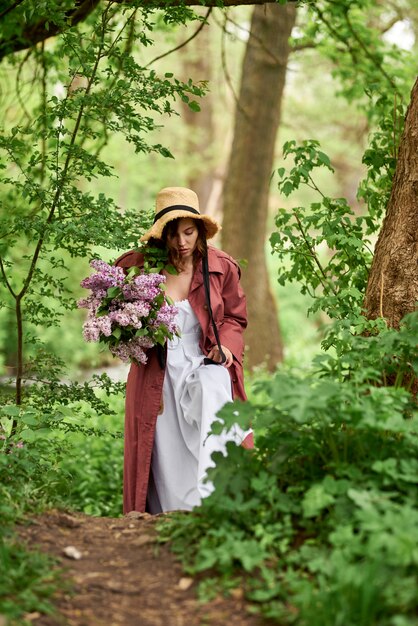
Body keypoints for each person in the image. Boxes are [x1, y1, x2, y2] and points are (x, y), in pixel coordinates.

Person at [115, 187, 253, 514]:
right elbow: (113, 314)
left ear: (200, 231)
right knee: (164, 449)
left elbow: (235, 316)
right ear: (161, 236)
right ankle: (171, 516)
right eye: (173, 234)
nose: (182, 242)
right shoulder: (137, 268)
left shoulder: (221, 266)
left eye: (189, 232)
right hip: (156, 371)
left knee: (214, 388)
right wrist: (127, 334)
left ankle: (217, 501)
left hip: (204, 360)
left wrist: (227, 347)